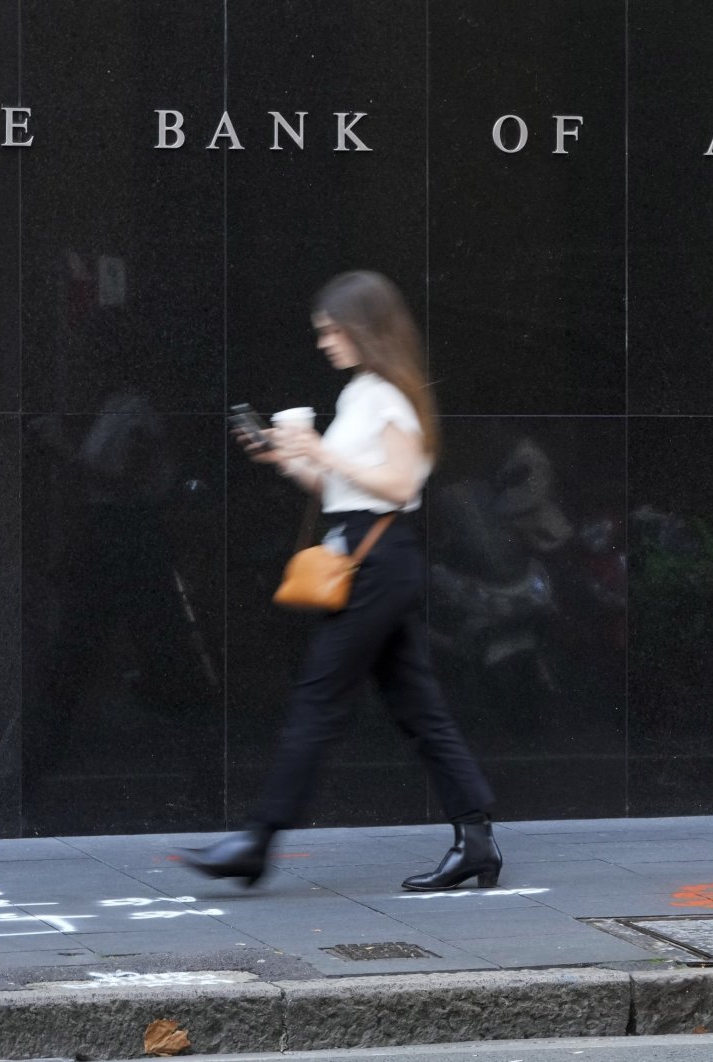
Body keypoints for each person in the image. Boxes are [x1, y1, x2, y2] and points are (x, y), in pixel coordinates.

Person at [181, 271, 499, 890]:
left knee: (318, 698)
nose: (325, 342)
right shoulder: (360, 393)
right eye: (321, 332)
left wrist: (321, 452)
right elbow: (341, 490)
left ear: (364, 329)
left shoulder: (389, 394)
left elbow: (402, 486)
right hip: (367, 553)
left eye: (332, 330)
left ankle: (260, 839)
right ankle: (476, 839)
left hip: (377, 560)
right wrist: (291, 460)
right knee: (419, 707)